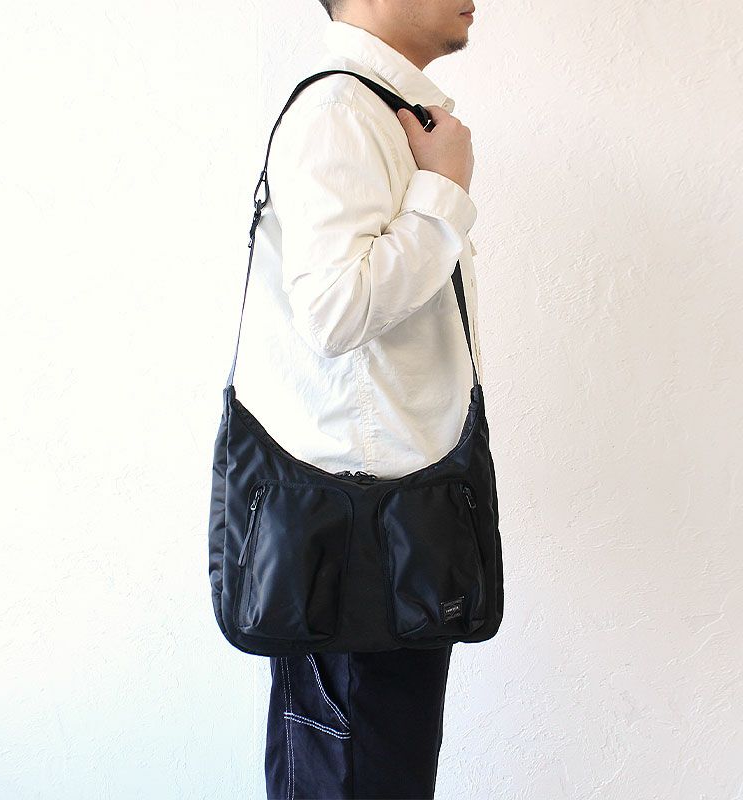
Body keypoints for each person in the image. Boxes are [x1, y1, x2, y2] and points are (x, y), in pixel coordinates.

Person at [233, 2, 481, 797]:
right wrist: (442, 192)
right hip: (360, 537)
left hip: (380, 528)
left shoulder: (376, 110)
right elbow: (336, 312)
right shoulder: (341, 111)